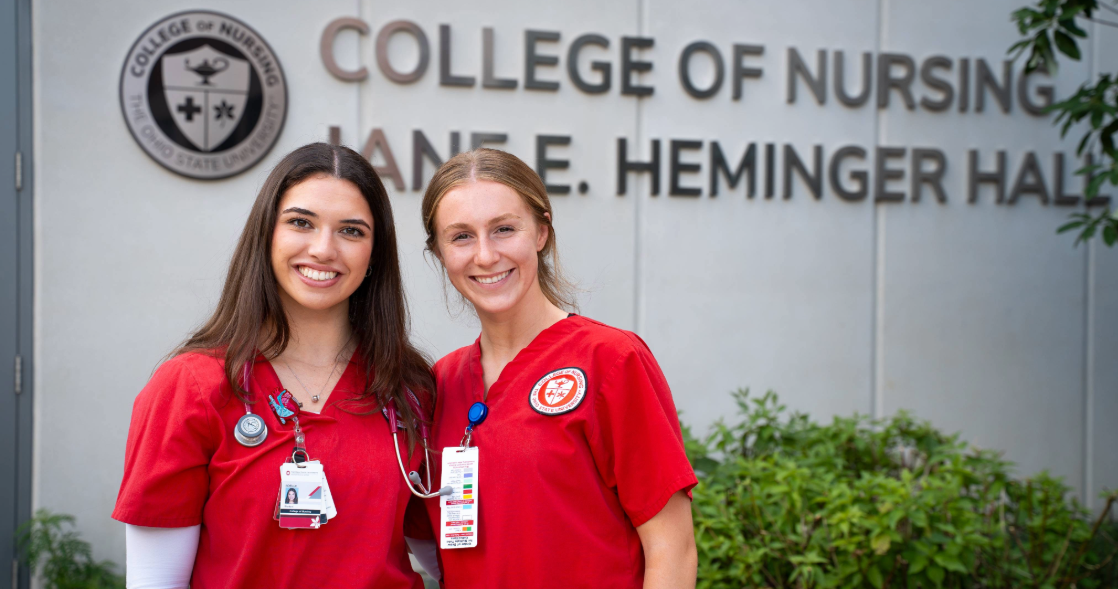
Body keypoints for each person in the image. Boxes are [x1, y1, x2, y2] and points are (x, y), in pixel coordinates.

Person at [113, 143, 436, 588]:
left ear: (374, 253)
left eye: (352, 231)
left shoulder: (409, 386)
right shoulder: (190, 387)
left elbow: (449, 556)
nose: (323, 249)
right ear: (267, 232)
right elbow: (155, 581)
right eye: (301, 222)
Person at [415, 148, 698, 588]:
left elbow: (672, 549)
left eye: (504, 229)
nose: (486, 255)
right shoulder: (442, 383)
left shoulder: (611, 360)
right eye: (462, 237)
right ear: (439, 252)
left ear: (542, 232)